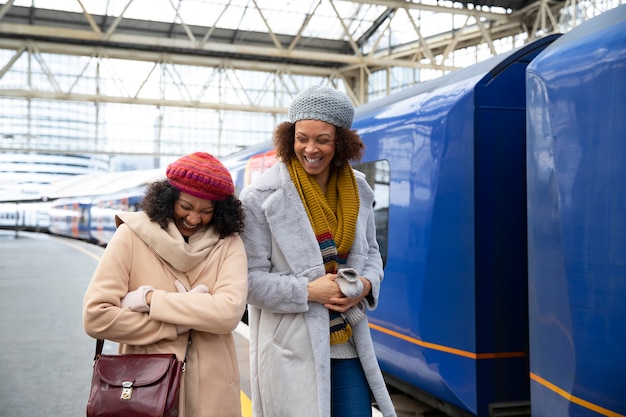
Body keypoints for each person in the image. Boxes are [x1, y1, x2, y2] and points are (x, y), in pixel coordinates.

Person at [240, 85, 397, 417]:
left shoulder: (358, 188)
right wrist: (307, 291)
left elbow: (371, 253)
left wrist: (364, 286)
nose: (310, 149)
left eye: (322, 140)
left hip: (347, 344)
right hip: (290, 348)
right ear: (289, 137)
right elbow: (248, 281)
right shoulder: (260, 197)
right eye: (301, 138)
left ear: (340, 141)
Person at [83, 152, 248, 417]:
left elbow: (228, 314)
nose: (194, 219)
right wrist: (179, 323)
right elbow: (96, 318)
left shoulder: (229, 243)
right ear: (168, 198)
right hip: (143, 385)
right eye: (186, 207)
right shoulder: (130, 235)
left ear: (220, 210)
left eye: (206, 211)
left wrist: (150, 300)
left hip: (212, 389)